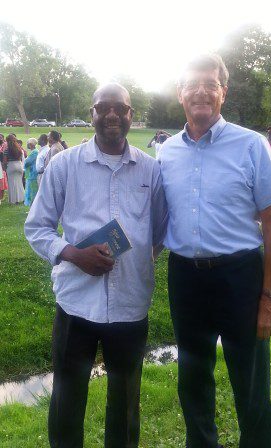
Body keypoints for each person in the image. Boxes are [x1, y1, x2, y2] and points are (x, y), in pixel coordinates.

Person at [24, 82, 167, 448]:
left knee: (125, 404)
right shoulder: (64, 166)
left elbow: (161, 230)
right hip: (76, 304)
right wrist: (74, 254)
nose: (112, 114)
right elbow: (37, 228)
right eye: (103, 107)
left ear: (131, 115)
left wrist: (138, 261)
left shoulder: (150, 171)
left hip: (130, 307)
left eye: (120, 107)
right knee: (67, 400)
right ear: (92, 114)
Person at [159, 54, 271, 448]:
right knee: (193, 379)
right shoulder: (166, 153)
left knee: (250, 382)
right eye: (192, 84)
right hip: (185, 278)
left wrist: (270, 298)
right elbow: (156, 220)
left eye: (210, 84)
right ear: (181, 93)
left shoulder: (251, 145)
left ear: (223, 93)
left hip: (240, 277)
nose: (201, 91)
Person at [3, 135, 25, 204]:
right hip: (19, 165)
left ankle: (14, 200)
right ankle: (22, 198)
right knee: (19, 183)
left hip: (11, 165)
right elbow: (21, 158)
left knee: (12, 184)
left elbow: (5, 161)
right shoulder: (19, 149)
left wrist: (4, 168)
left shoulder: (6, 150)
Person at [24, 138, 39, 206]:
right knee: (30, 191)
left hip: (32, 175)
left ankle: (32, 206)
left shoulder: (35, 152)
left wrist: (25, 162)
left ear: (31, 144)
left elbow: (27, 162)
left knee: (32, 192)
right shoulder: (33, 151)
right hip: (30, 174)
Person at [0, 134, 8, 205]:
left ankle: (1, 198)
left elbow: (3, 158)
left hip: (1, 166)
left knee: (2, 182)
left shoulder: (4, 145)